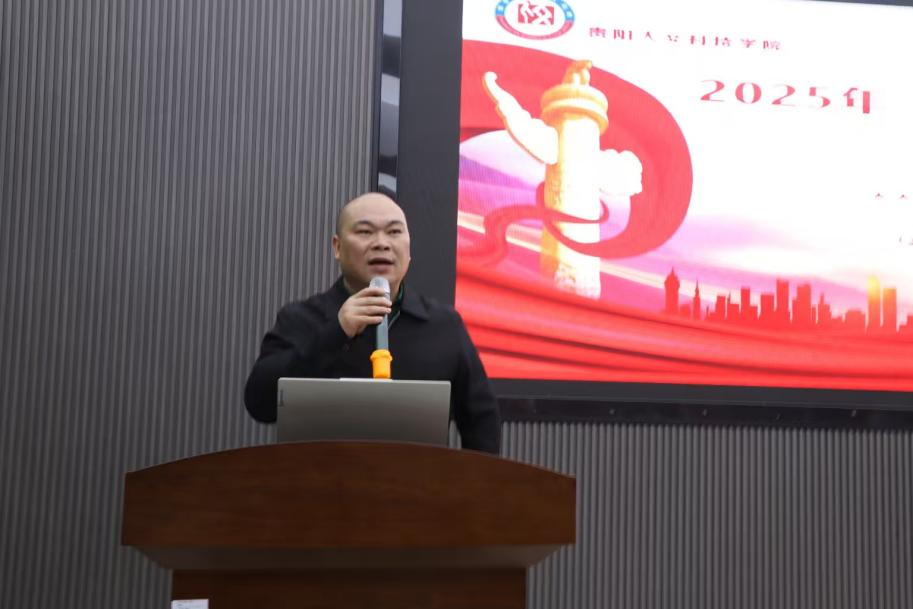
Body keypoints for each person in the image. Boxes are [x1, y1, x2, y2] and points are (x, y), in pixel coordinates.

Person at [244, 192, 501, 453]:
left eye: (394, 232)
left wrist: (472, 478)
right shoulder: (301, 318)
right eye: (365, 232)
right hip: (321, 476)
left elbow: (481, 419)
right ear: (337, 247)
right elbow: (260, 404)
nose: (381, 243)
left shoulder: (443, 325)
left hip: (417, 477)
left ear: (409, 249)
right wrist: (336, 332)